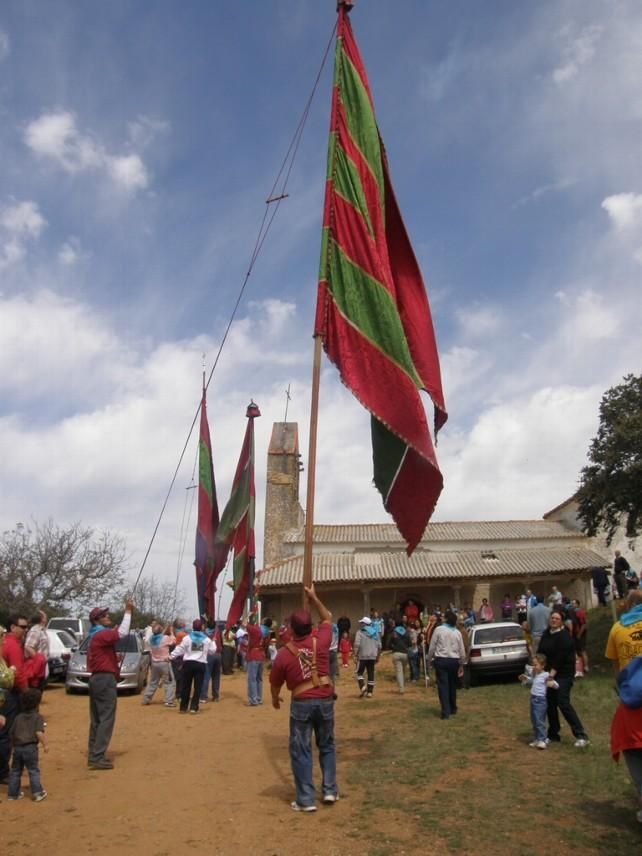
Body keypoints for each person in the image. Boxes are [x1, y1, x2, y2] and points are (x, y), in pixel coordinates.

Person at [270, 583, 337, 812]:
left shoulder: (284, 653)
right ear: (310, 627)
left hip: (302, 702)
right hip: (326, 698)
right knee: (327, 745)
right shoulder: (323, 640)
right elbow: (327, 617)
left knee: (301, 749)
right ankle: (329, 790)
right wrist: (315, 597)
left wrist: (274, 698)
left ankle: (306, 799)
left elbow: (275, 681)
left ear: (292, 629)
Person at [605, 589, 642, 824]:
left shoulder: (618, 629)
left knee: (635, 756)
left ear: (627, 605)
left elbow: (616, 670)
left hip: (632, 701)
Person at [87, 600, 133, 770]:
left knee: (97, 719)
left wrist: (114, 658)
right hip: (105, 680)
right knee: (106, 718)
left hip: (96, 679)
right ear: (97, 619)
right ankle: (98, 756)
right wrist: (128, 611)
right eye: (105, 615)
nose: (108, 617)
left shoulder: (94, 635)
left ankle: (94, 753)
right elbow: (122, 633)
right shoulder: (101, 634)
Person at [537, 610, 589, 747]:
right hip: (548, 673)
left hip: (563, 674)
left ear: (561, 621)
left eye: (557, 618)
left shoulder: (565, 637)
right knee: (550, 703)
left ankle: (581, 735)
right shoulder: (546, 634)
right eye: (552, 618)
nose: (553, 620)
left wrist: (552, 674)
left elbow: (560, 658)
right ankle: (553, 734)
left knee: (563, 702)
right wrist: (538, 669)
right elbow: (541, 651)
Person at [0, 614, 29, 784]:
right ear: (12, 628)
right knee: (6, 733)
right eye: (23, 627)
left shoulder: (8, 644)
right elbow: (18, 674)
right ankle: (3, 772)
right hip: (8, 695)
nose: (25, 630)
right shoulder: (12, 645)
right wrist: (26, 693)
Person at [7, 687, 48, 801]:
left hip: (18, 748)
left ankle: (13, 794)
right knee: (33, 770)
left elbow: (11, 733)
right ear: (37, 704)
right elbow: (39, 733)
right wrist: (45, 745)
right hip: (30, 748)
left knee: (15, 771)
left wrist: (13, 745)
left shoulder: (18, 717)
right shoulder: (38, 717)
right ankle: (37, 793)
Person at [170, 619, 216, 714]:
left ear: (193, 627)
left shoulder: (187, 638)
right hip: (200, 664)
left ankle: (183, 708)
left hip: (188, 664)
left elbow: (180, 649)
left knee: (186, 686)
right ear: (202, 627)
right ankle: (193, 708)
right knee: (198, 687)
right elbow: (213, 651)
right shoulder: (206, 639)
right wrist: (214, 641)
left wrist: (171, 656)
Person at [427, 609, 466, 720]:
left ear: (447, 619)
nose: (442, 618)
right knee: (452, 685)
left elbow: (432, 647)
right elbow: (461, 650)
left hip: (441, 660)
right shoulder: (457, 632)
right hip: (454, 661)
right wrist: (461, 663)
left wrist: (429, 659)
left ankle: (446, 711)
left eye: (444, 617)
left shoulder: (439, 630)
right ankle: (453, 708)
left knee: (443, 686)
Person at [518, 654, 558, 750]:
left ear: (542, 665)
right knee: (534, 720)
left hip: (540, 701)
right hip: (533, 699)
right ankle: (537, 738)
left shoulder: (546, 675)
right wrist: (526, 678)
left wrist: (553, 684)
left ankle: (542, 740)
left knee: (539, 720)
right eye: (533, 664)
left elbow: (556, 684)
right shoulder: (536, 675)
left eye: (536, 665)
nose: (534, 667)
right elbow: (532, 681)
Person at [142, 621, 176, 707]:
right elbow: (173, 641)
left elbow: (159, 635)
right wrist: (171, 631)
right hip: (164, 663)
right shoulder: (165, 638)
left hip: (154, 663)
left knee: (153, 682)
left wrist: (164, 628)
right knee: (169, 682)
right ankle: (169, 700)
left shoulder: (151, 639)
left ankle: (146, 699)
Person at [353, 617, 381, 698]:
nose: (361, 624)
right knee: (371, 673)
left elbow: (357, 644)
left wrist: (355, 654)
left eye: (362, 623)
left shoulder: (360, 632)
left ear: (365, 624)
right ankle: (370, 692)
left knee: (359, 673)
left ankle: (362, 687)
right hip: (372, 656)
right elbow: (379, 646)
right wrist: (378, 656)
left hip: (362, 656)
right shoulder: (375, 633)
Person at [24, 611, 49, 690]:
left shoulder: (42, 630)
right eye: (45, 616)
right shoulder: (35, 631)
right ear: (42, 619)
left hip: (42, 665)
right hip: (37, 666)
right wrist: (39, 659)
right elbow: (28, 646)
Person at [245, 613, 267, 706]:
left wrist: (248, 615)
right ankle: (259, 698)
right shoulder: (266, 632)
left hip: (254, 654)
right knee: (259, 678)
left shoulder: (255, 630)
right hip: (261, 654)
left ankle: (253, 700)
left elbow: (244, 623)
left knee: (252, 678)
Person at [200, 620, 222, 703]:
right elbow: (215, 628)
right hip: (218, 655)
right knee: (216, 676)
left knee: (206, 676)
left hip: (208, 655)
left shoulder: (204, 634)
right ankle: (215, 696)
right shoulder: (217, 632)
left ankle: (203, 696)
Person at [389, 621, 410, 694]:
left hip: (396, 654)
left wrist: (393, 646)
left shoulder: (394, 635)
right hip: (405, 654)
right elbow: (409, 645)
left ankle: (401, 688)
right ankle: (403, 686)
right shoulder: (407, 635)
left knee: (399, 672)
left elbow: (389, 644)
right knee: (404, 671)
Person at [571, 599, 588, 677]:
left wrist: (579, 634)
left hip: (580, 634)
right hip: (575, 634)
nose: (573, 605)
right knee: (577, 652)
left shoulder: (580, 612)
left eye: (574, 603)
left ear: (578, 604)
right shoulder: (572, 612)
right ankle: (579, 668)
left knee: (582, 650)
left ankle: (586, 667)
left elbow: (584, 624)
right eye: (572, 603)